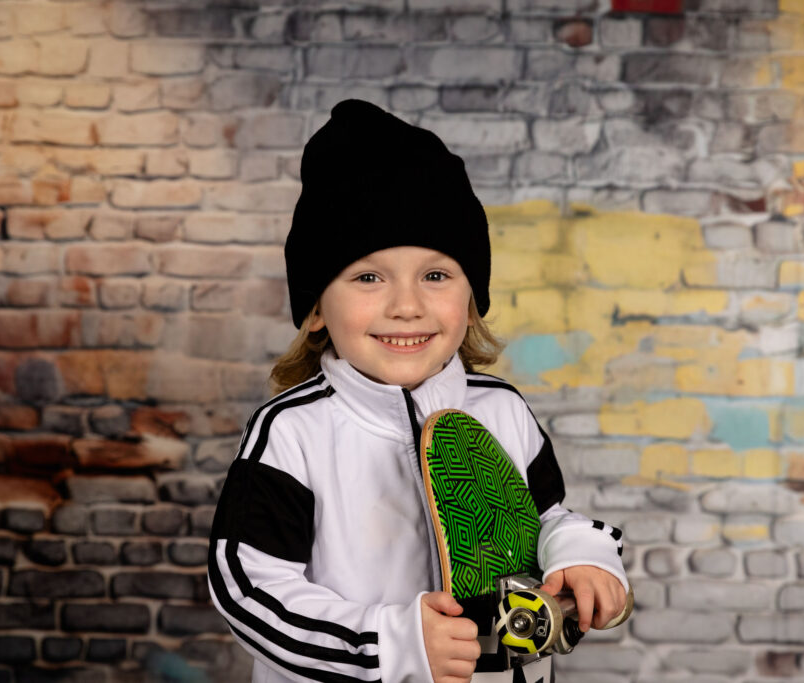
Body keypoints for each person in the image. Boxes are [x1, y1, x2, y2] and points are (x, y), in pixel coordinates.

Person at [208, 99, 628, 683]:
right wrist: (391, 644)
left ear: (471, 297)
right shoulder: (292, 433)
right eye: (368, 277)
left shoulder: (501, 410)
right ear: (314, 310)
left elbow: (548, 519)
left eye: (435, 275)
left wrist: (582, 557)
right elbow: (250, 588)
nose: (406, 306)